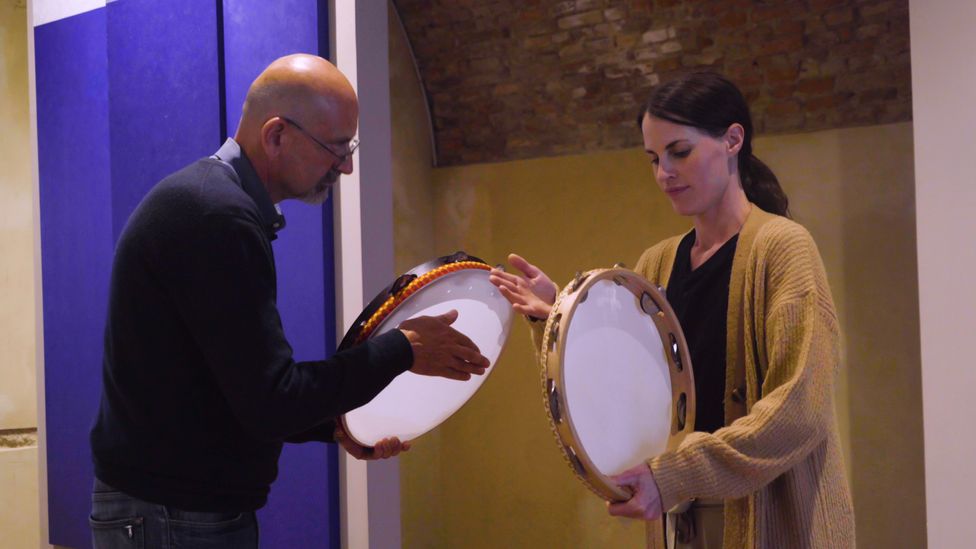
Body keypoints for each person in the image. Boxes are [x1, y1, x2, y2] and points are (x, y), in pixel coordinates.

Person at [88, 54, 490, 548]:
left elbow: (231, 392)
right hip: (174, 516)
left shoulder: (211, 204)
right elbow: (272, 401)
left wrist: (334, 427)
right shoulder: (217, 218)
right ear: (276, 135)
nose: (346, 165)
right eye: (336, 147)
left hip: (171, 512)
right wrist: (404, 348)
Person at [489, 72, 854, 548]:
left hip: (773, 521)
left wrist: (676, 475)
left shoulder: (782, 248)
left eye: (679, 152)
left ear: (732, 140)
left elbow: (800, 408)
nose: (664, 173)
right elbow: (621, 400)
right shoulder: (656, 264)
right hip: (680, 521)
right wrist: (556, 319)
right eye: (654, 159)